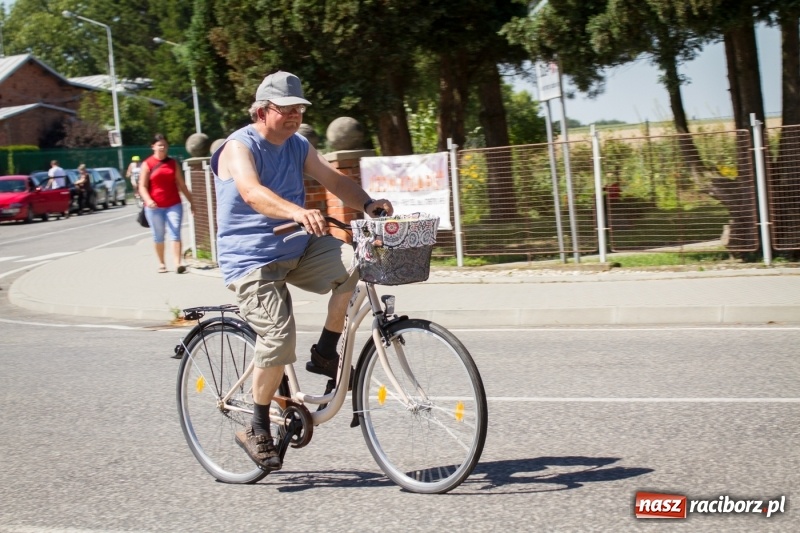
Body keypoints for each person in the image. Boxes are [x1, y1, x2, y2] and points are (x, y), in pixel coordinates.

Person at [210, 71, 392, 471]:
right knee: (278, 335)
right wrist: (296, 210)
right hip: (251, 259)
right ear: (261, 111)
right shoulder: (238, 146)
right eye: (286, 109)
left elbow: (332, 179)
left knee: (355, 263)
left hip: (297, 247)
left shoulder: (297, 145)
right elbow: (251, 192)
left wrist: (368, 204)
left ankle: (325, 352)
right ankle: (256, 426)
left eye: (299, 109)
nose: (295, 115)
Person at [138, 134, 194, 274]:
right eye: (159, 145)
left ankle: (177, 263)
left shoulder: (172, 163)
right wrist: (148, 200)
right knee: (158, 235)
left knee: (175, 232)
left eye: (164, 145)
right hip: (154, 207)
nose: (162, 147)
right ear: (153, 147)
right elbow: (142, 186)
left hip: (173, 204)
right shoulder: (147, 164)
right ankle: (162, 263)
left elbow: (181, 184)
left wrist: (191, 201)